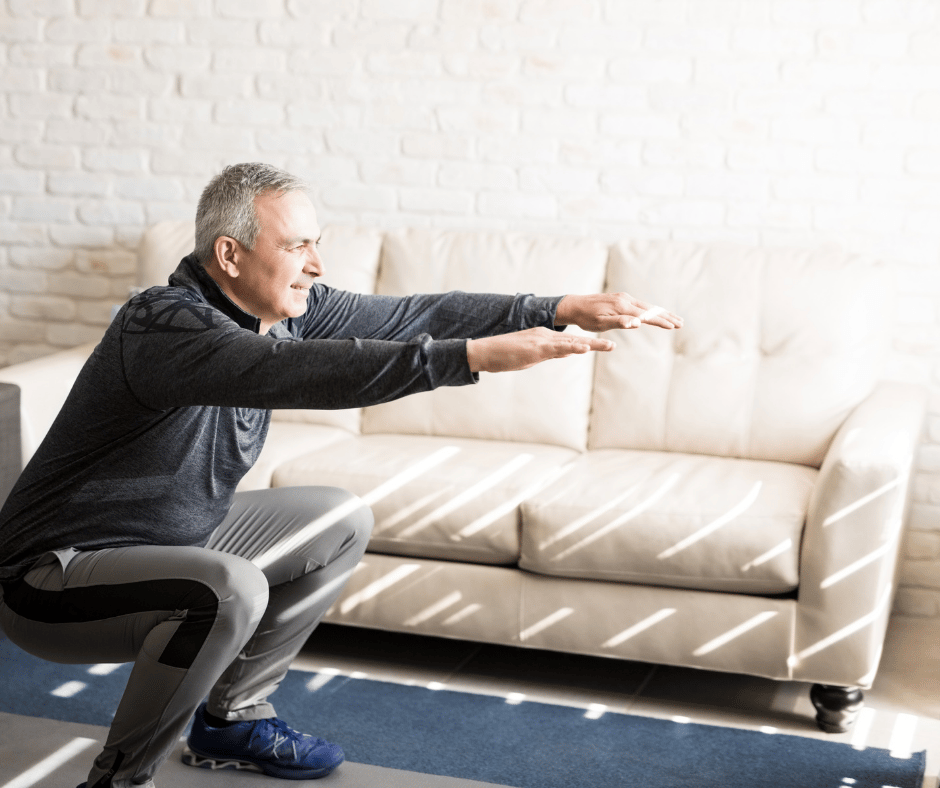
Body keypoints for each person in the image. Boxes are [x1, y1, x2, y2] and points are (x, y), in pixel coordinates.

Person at [0, 162, 682, 788]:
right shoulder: (164, 322)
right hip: (53, 578)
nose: (317, 265)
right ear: (230, 255)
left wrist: (554, 306)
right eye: (297, 246)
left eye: (316, 244)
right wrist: (473, 357)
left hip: (171, 545)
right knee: (227, 592)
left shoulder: (283, 312)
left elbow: (414, 313)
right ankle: (118, 778)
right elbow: (296, 374)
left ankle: (233, 720)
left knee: (337, 516)